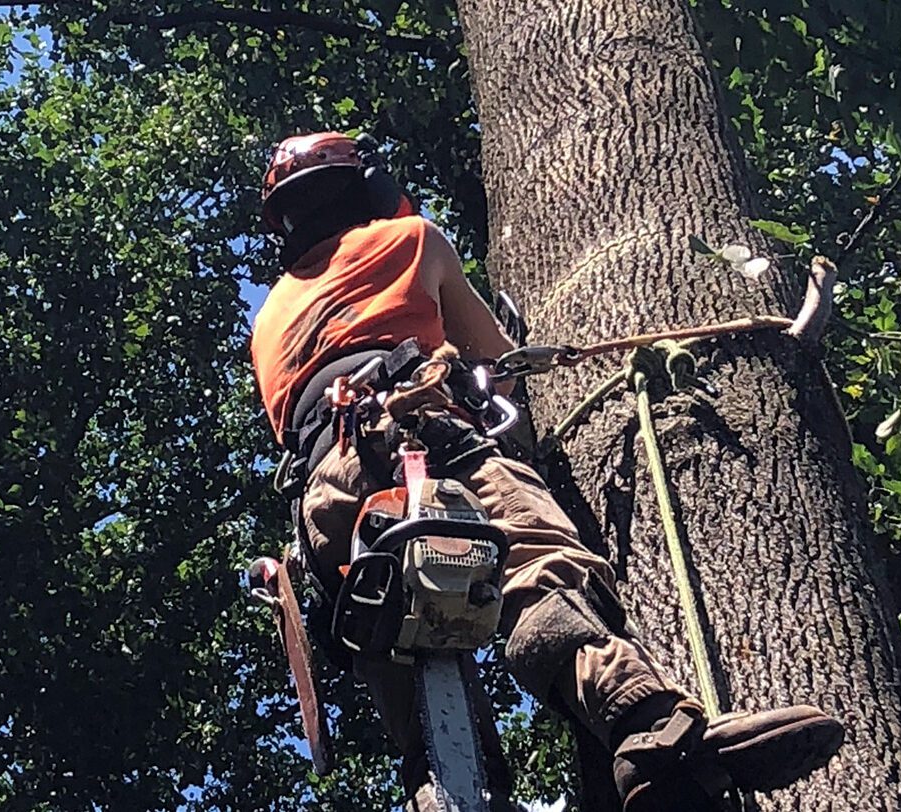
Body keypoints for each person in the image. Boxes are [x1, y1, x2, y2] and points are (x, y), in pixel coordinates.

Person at [249, 132, 844, 812]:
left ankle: (438, 796)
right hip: (424, 427)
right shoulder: (411, 239)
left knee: (387, 641)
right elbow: (500, 361)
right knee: (534, 561)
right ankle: (646, 727)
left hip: (325, 491)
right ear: (371, 190)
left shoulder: (267, 320)